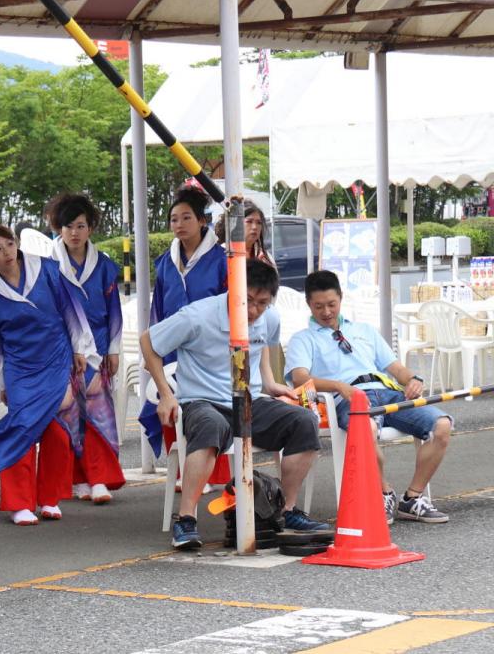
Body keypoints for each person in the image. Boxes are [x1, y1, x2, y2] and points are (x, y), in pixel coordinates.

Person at [140, 259, 329, 550]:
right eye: (248, 301)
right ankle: (186, 519)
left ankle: (287, 511)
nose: (254, 311)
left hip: (249, 402)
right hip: (203, 401)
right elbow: (148, 342)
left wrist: (269, 382)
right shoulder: (197, 316)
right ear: (234, 290)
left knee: (304, 422)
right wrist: (166, 394)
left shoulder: (270, 317)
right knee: (211, 427)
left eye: (262, 303)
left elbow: (264, 344)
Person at [0, 225, 98, 526]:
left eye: (9, 244)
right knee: (22, 430)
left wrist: (80, 349)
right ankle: (19, 503)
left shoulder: (47, 270)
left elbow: (72, 310)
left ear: (17, 243)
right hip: (20, 370)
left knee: (58, 433)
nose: (6, 252)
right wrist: (0, 385)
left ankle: (49, 498)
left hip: (56, 359)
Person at [286, 270, 450, 524]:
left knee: (442, 425)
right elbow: (299, 378)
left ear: (341, 299)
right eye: (319, 306)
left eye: (332, 304)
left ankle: (412, 498)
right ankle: (383, 493)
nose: (327, 312)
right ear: (309, 304)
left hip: (387, 393)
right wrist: (339, 387)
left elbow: (395, 367)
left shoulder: (364, 330)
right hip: (348, 399)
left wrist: (412, 380)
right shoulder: (303, 339)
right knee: (366, 426)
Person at [140, 187, 230, 471]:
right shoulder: (166, 261)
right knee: (166, 401)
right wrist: (154, 347)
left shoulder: (221, 260)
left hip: (209, 348)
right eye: (174, 219)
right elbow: (159, 308)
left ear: (202, 221)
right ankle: (181, 469)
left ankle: (214, 473)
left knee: (211, 407)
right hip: (173, 346)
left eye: (186, 218)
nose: (178, 224)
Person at [46, 193, 125, 505]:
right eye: (68, 226)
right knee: (67, 414)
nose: (74, 233)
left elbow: (114, 310)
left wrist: (114, 350)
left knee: (96, 413)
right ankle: (76, 479)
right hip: (61, 349)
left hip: (98, 346)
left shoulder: (104, 266)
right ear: (58, 229)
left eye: (81, 226)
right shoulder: (48, 266)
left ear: (90, 228)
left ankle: (98, 478)